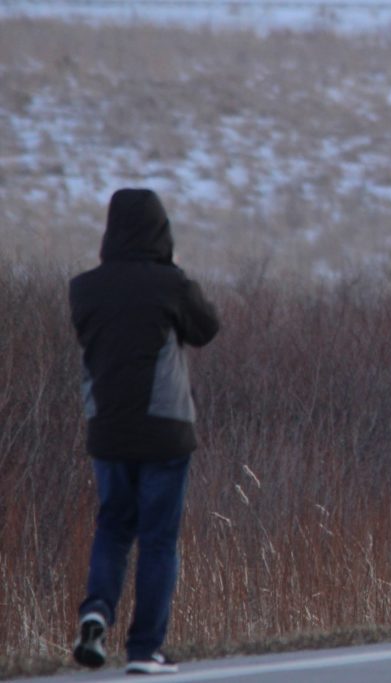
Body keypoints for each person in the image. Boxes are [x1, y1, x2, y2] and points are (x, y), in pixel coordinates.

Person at [69, 188, 219, 675]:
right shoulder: (169, 284)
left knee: (112, 529)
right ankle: (144, 649)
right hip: (165, 431)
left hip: (108, 428)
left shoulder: (84, 288)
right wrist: (174, 270)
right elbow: (205, 328)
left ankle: (96, 612)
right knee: (157, 540)